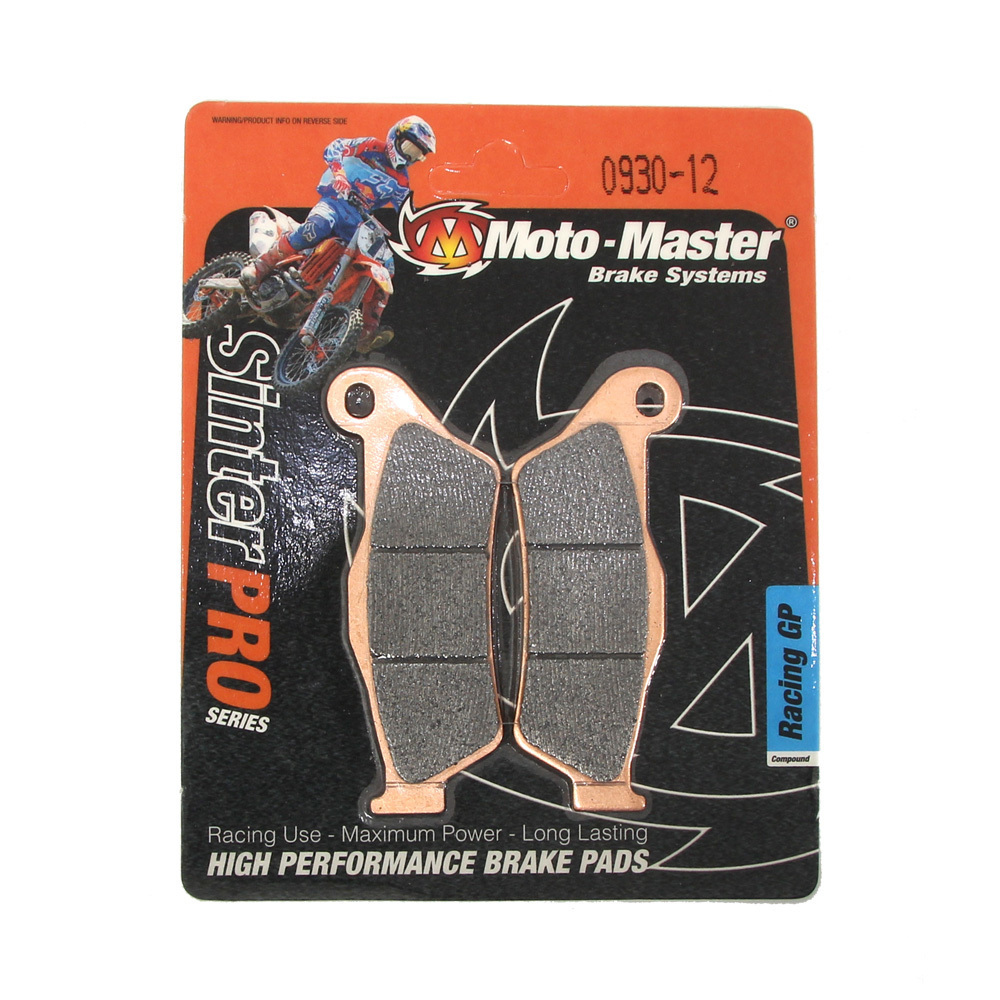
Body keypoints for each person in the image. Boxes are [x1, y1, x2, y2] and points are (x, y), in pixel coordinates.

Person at [241, 115, 436, 352]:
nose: (410, 157)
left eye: (417, 154)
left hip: (357, 219)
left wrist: (421, 232)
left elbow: (405, 212)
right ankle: (261, 267)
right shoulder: (371, 146)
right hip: (335, 201)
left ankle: (366, 330)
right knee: (316, 228)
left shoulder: (402, 180)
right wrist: (340, 174)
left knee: (387, 266)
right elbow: (334, 147)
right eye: (409, 148)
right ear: (396, 137)